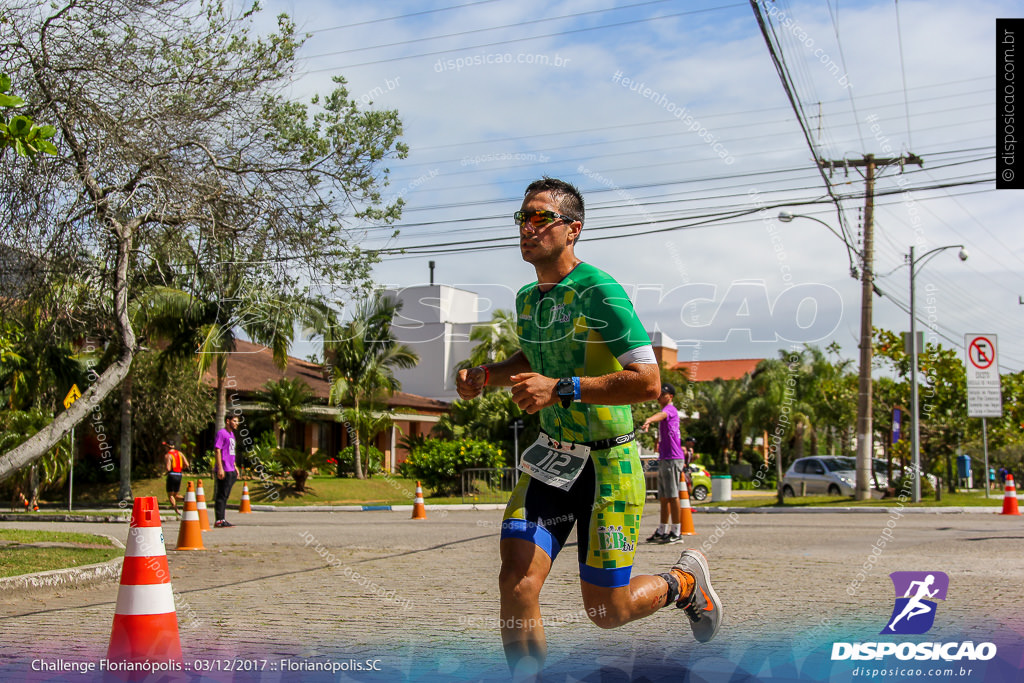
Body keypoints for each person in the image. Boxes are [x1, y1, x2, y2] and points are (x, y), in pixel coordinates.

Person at [456, 177, 722, 680]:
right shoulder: (528, 298)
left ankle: (684, 584)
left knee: (607, 611)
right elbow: (531, 359)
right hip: (552, 463)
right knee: (516, 582)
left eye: (540, 217)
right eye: (522, 218)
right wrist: (487, 376)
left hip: (609, 465)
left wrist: (560, 388)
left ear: (573, 229)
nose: (527, 228)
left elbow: (648, 381)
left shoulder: (601, 291)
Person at [640, 383, 685, 544]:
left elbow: (662, 415)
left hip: (673, 458)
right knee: (664, 497)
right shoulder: (665, 412)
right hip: (665, 457)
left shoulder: (670, 409)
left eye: (663, 394)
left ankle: (676, 531)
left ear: (670, 396)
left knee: (673, 496)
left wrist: (649, 419)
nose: (660, 397)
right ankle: (662, 529)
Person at [213, 415, 240, 528]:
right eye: (234, 421)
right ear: (227, 421)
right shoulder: (222, 433)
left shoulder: (232, 434)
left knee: (225, 495)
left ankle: (222, 518)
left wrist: (235, 466)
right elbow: (218, 450)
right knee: (221, 495)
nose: (236, 423)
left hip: (231, 468)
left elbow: (230, 452)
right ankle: (219, 519)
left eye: (237, 421)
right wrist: (220, 468)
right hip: (224, 469)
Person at [164, 442, 190, 515]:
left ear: (167, 447)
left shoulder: (168, 455)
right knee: (175, 495)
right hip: (179, 474)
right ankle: (187, 500)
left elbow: (168, 468)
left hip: (172, 475)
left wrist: (165, 472)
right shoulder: (180, 453)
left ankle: (177, 511)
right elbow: (187, 464)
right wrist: (181, 468)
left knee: (170, 495)